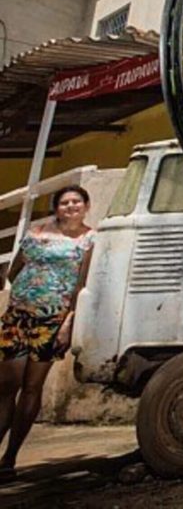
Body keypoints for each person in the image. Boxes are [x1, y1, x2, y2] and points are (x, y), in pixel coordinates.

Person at [0, 185, 95, 480]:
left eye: (76, 202)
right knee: (6, 385)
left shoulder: (90, 240)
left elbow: (83, 283)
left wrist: (68, 321)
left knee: (31, 386)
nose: (70, 207)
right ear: (56, 207)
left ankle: (9, 458)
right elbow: (14, 271)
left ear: (86, 206)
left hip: (53, 321)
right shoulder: (37, 233)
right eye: (64, 202)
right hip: (19, 316)